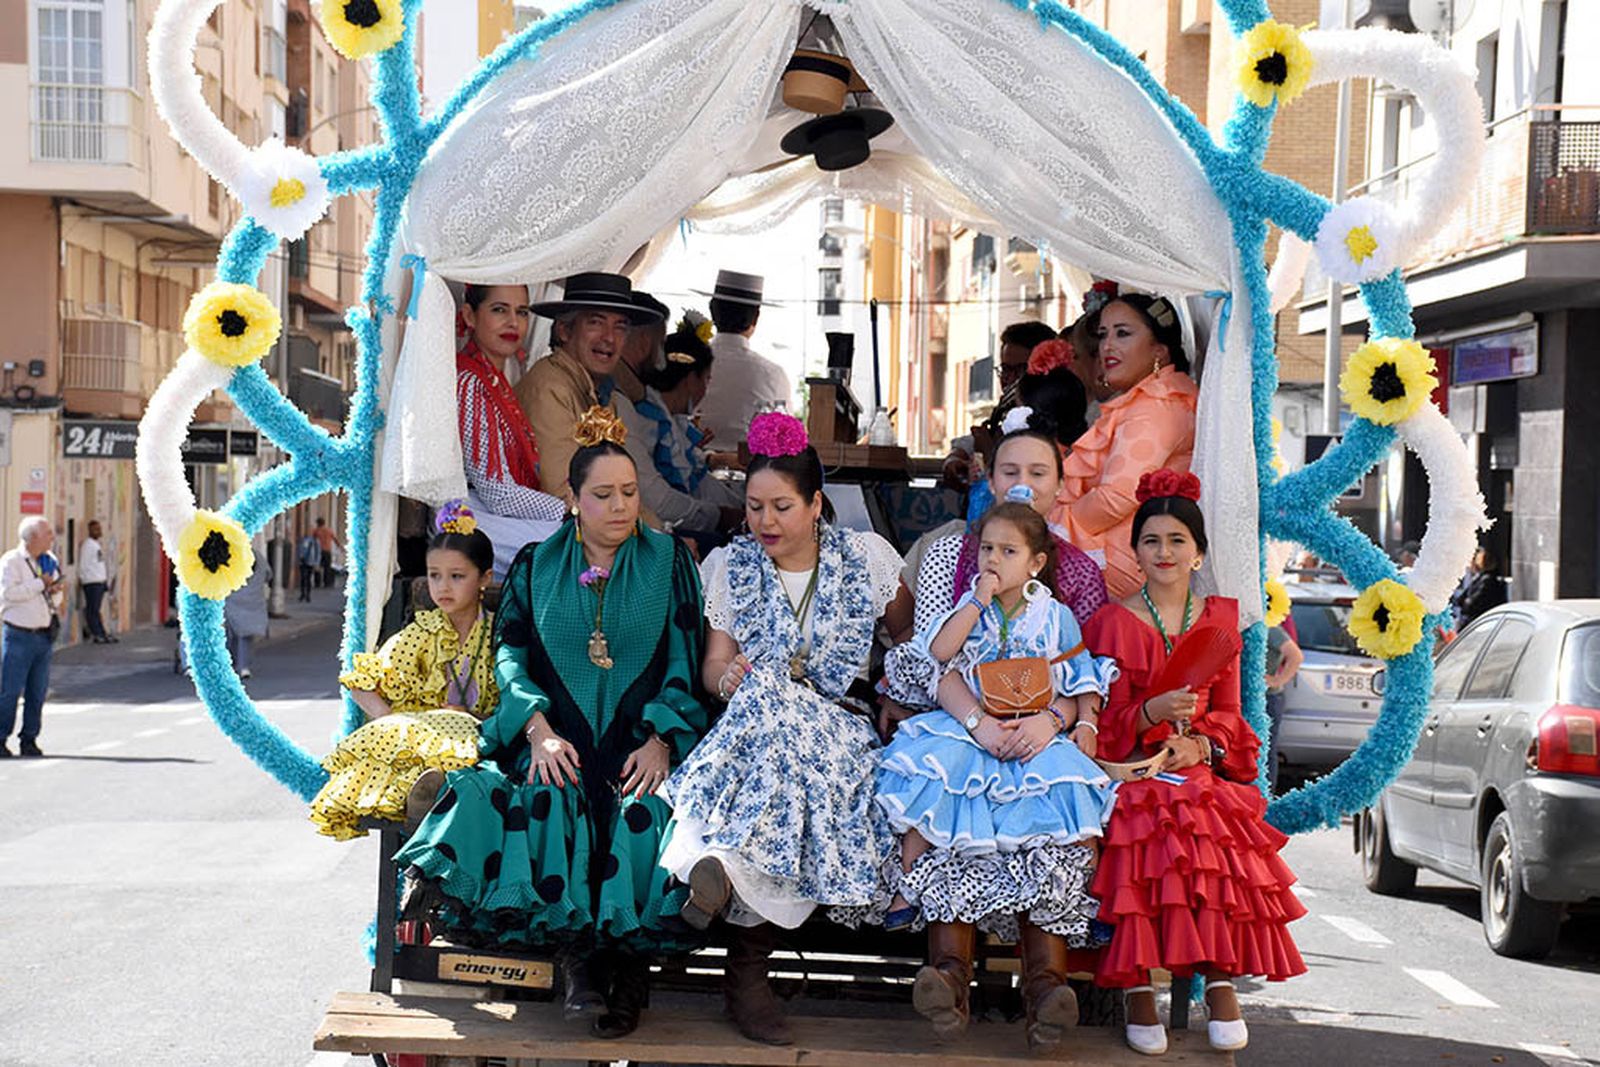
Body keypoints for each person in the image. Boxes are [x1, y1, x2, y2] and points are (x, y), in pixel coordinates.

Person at [396, 408, 711, 1040]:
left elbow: (685, 653)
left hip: (637, 742)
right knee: (545, 794)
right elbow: (509, 652)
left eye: (629, 493)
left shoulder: (668, 562)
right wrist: (536, 729)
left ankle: (626, 970)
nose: (620, 507)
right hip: (554, 735)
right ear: (571, 499)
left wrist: (660, 741)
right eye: (603, 495)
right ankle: (580, 968)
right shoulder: (537, 566)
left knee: (643, 809)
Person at [659, 412, 909, 1046]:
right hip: (758, 718)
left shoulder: (866, 559)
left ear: (816, 503)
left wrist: (898, 698)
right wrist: (733, 683)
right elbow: (716, 664)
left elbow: (906, 639)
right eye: (753, 507)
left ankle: (717, 877)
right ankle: (746, 966)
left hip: (843, 725)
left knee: (785, 733)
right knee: (772, 714)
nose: (765, 522)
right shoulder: (730, 566)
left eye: (781, 506)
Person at [862, 496, 1118, 1050]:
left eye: (1008, 551)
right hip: (973, 736)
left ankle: (1046, 989)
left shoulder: (1055, 616)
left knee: (1051, 833)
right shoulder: (966, 609)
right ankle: (949, 979)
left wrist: (1054, 723)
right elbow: (942, 662)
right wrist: (977, 718)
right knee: (954, 833)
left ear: (1036, 564)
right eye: (986, 549)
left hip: (1035, 740)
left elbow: (1077, 684)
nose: (993, 560)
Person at [1081, 470, 1306, 1056]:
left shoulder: (1221, 620)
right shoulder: (1108, 623)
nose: (1164, 552)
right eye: (1151, 540)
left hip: (1195, 767)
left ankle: (1220, 979)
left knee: (1205, 815)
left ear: (1198, 551)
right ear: (1134, 550)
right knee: (1144, 812)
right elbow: (1096, 721)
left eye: (1177, 540)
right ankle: (1136, 988)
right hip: (1130, 771)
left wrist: (1201, 745)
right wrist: (1148, 709)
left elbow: (1232, 713)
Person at [885, 407, 1109, 722]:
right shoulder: (947, 554)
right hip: (957, 719)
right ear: (990, 481)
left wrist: (1050, 722)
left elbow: (1085, 671)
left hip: (1047, 727)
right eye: (1010, 472)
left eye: (1038, 473)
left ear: (1060, 484)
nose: (1023, 484)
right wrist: (981, 724)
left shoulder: (1082, 572)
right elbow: (930, 661)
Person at [309, 502, 498, 841]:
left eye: (457, 576)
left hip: (478, 735)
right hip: (422, 737)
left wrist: (474, 717)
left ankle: (434, 792)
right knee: (395, 745)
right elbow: (363, 684)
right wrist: (393, 720)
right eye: (435, 575)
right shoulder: (421, 632)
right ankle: (424, 791)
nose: (443, 587)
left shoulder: (498, 636)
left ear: (485, 577)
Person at [1051, 294, 1200, 599]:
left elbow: (1116, 497)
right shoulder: (1151, 399)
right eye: (1103, 334)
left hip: (1114, 565)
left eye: (1123, 333)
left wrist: (1050, 527)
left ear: (1159, 349)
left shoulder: (1157, 405)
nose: (1107, 346)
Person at [516, 272, 666, 507]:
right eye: (595, 322)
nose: (609, 338)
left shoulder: (601, 393)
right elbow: (564, 492)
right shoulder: (550, 388)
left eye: (620, 327)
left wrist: (657, 534)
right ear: (564, 331)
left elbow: (619, 487)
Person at [456, 283, 569, 578]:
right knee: (575, 549)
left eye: (521, 312)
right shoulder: (470, 381)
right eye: (499, 310)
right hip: (471, 519)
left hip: (494, 514)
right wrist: (567, 509)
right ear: (469, 315)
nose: (513, 323)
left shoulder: (497, 379)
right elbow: (497, 492)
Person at [615, 312, 742, 538]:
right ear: (692, 379)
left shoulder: (666, 416)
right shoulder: (647, 417)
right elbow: (659, 498)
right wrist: (723, 516)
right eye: (706, 379)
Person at [941, 320, 1058, 490]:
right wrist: (955, 457)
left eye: (1019, 370)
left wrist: (989, 451)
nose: (1008, 379)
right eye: (1005, 369)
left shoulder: (1049, 416)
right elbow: (967, 443)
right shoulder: (1005, 410)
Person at [693, 270, 792, 446]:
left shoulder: (687, 361)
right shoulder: (773, 374)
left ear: (713, 311)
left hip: (683, 465)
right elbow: (783, 436)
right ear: (756, 318)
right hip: (748, 468)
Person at [0, 518, 62, 759]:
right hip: (18, 635)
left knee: (37, 692)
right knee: (10, 690)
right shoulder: (11, 562)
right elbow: (8, 594)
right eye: (47, 533)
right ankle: (1, 737)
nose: (51, 537)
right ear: (32, 537)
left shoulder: (49, 562)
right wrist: (39, 584)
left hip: (43, 636)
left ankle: (29, 739)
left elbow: (56, 599)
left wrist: (54, 592)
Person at [1264, 622, 1303, 794]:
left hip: (1269, 697)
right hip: (1260, 696)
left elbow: (1295, 655)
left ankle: (1266, 794)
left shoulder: (1270, 628)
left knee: (1267, 748)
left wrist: (1278, 680)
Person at [223, 537, 270, 680]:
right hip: (253, 602)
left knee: (231, 633)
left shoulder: (230, 559)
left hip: (233, 600)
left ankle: (230, 663)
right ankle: (243, 666)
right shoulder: (258, 557)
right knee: (246, 637)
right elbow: (268, 574)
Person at [1449, 545, 1507, 628]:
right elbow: (1462, 598)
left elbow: (1473, 603)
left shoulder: (1487, 581)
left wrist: (1465, 603)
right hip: (1478, 620)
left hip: (1478, 621)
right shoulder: (1481, 578)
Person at [78, 519, 114, 644]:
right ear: (89, 531)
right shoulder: (88, 545)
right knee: (92, 609)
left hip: (99, 581)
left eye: (99, 529)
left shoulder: (95, 545)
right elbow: (83, 564)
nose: (99, 531)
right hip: (91, 581)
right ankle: (97, 634)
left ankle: (102, 632)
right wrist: (84, 578)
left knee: (96, 609)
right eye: (95, 529)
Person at [313, 517, 340, 588]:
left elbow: (313, 540)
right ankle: (327, 583)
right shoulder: (329, 530)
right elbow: (335, 539)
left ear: (318, 523)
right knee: (327, 567)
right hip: (327, 551)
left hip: (318, 551)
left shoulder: (316, 531)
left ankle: (317, 583)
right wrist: (340, 547)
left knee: (317, 567)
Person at [296, 530, 321, 602]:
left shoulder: (314, 541)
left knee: (308, 578)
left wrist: (317, 563)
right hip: (302, 562)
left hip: (310, 562)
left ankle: (308, 595)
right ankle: (302, 594)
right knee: (303, 578)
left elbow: (318, 552)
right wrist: (298, 559)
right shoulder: (302, 540)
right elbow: (298, 550)